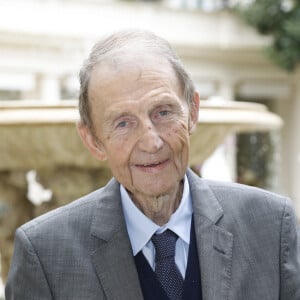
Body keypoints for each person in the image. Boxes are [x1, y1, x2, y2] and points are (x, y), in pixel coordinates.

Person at [5, 30, 300, 300]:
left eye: (163, 112)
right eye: (123, 123)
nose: (151, 141)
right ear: (92, 139)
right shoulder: (45, 253)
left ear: (192, 112)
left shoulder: (271, 226)